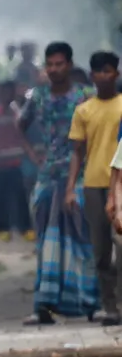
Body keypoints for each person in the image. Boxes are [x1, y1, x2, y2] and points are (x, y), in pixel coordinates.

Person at [20, 42, 96, 325]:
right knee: (46, 240)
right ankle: (44, 303)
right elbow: (22, 125)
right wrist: (34, 156)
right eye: (49, 64)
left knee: (81, 237)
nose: (54, 69)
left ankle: (88, 302)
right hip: (49, 175)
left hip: (82, 174)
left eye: (59, 64)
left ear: (69, 65)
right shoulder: (38, 96)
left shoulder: (85, 96)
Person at [67, 51, 122, 325]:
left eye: (108, 70)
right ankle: (110, 305)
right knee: (100, 250)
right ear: (92, 76)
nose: (103, 76)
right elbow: (77, 151)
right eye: (98, 71)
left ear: (117, 74)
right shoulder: (84, 110)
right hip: (92, 184)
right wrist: (69, 188)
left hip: (121, 186)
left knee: (120, 245)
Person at [0, 81, 31, 240]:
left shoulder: (17, 112)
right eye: (3, 92)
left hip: (15, 162)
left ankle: (26, 228)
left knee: (20, 197)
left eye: (9, 92)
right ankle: (3, 229)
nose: (6, 95)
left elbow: (23, 133)